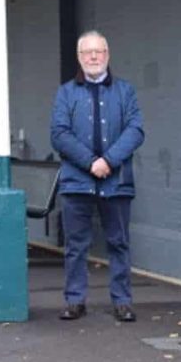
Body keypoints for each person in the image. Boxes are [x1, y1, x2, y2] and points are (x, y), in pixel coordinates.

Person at [50, 30, 145, 322]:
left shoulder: (125, 91)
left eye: (99, 51)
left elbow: (135, 130)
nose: (93, 57)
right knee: (76, 246)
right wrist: (92, 162)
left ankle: (122, 301)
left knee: (119, 243)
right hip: (77, 182)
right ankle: (75, 300)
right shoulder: (65, 93)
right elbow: (59, 134)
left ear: (107, 55)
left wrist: (109, 161)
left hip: (116, 183)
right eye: (87, 52)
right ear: (79, 57)